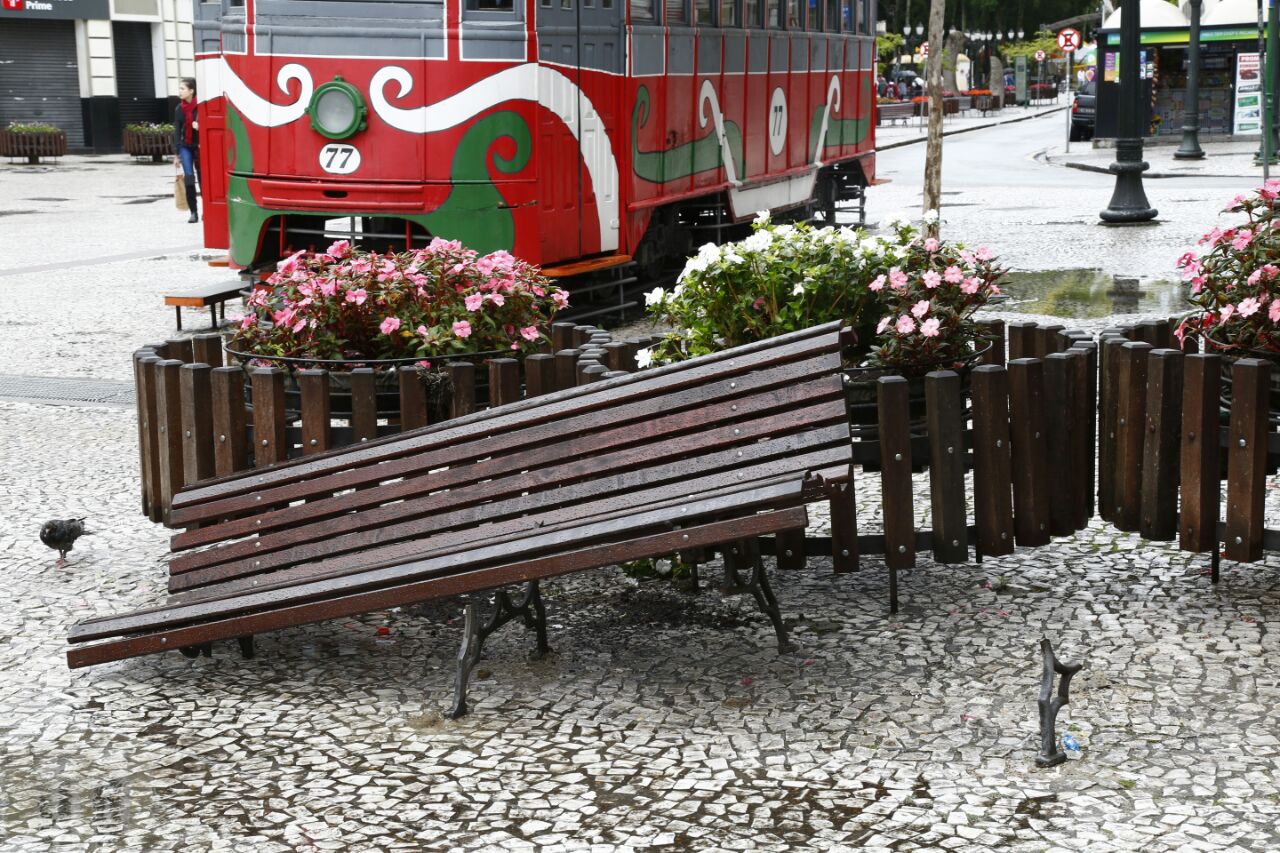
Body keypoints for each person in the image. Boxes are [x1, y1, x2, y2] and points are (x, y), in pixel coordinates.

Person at [173, 77, 200, 224]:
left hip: (200, 145)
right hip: (185, 146)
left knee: (203, 178)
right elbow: (177, 132)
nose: (180, 91)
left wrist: (200, 127)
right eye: (180, 88)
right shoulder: (179, 108)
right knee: (189, 178)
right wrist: (176, 154)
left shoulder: (201, 106)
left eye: (182, 88)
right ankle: (193, 212)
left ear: (191, 91)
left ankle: (207, 211)